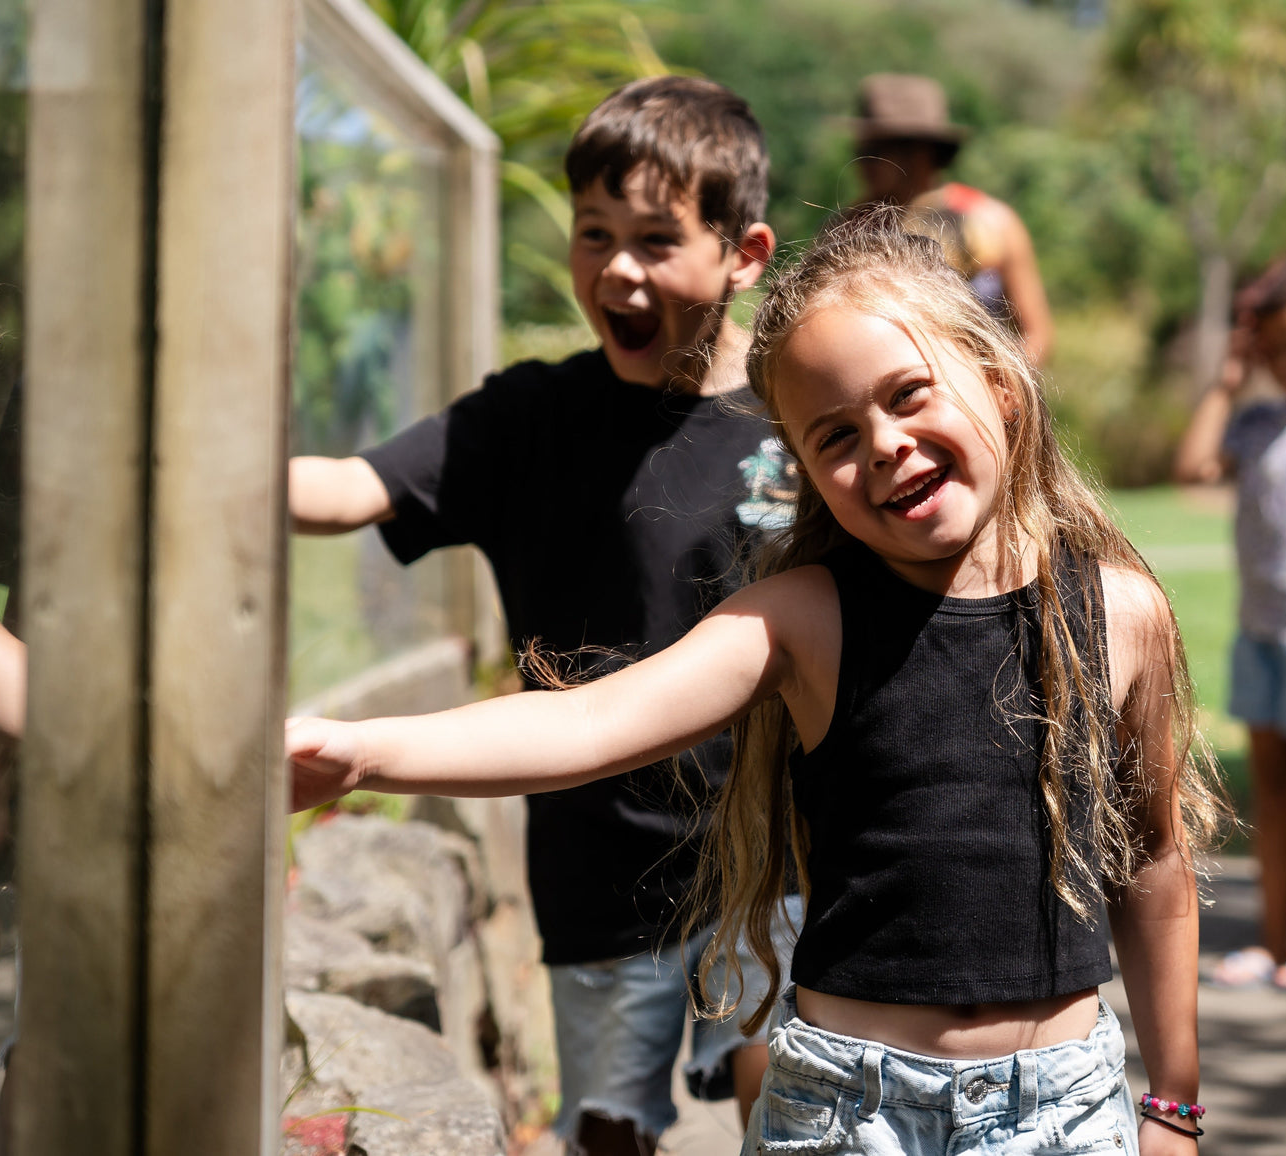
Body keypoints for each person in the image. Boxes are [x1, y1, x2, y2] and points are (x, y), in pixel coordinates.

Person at [289, 213, 1230, 1155]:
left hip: (1063, 1112)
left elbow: (1149, 861)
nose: (886, 444)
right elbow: (589, 723)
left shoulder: (1119, 615)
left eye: (910, 396)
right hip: (849, 1113)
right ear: (807, 476)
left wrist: (1173, 1104)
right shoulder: (802, 619)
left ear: (999, 386)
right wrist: (366, 752)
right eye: (835, 436)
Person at [288, 77, 799, 1155]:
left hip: (777, 865)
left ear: (741, 253)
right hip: (597, 874)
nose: (615, 268)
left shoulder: (803, 414)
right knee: (609, 1129)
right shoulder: (527, 420)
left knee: (792, 1113)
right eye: (592, 234)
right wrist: (185, 459)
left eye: (656, 240)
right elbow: (344, 489)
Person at [1174, 257, 1286, 992]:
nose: (1282, 362)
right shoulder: (1258, 421)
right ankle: (1273, 944)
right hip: (1261, 632)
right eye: (1268, 348)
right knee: (1271, 793)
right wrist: (1229, 377)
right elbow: (1193, 467)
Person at [851, 73, 1054, 367]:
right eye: (861, 149)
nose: (860, 160)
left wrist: (997, 390)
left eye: (874, 151)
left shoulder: (994, 221)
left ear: (920, 152)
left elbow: (1037, 334)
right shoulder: (852, 228)